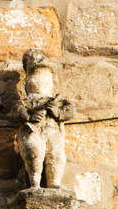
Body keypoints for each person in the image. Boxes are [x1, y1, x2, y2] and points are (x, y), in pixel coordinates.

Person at [7, 49, 74, 190]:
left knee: (56, 155)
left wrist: (57, 112)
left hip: (53, 132)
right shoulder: (28, 102)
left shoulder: (57, 101)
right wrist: (29, 117)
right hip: (34, 131)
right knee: (33, 152)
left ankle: (54, 183)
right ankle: (34, 183)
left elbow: (70, 111)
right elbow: (17, 110)